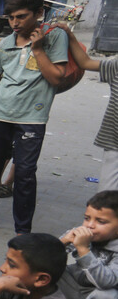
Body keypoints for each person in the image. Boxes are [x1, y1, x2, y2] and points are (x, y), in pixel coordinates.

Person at [0, 0, 69, 234]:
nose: (15, 23)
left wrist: (38, 49)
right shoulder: (4, 44)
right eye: (11, 17)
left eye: (21, 16)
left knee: (24, 173)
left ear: (38, 14)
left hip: (31, 119)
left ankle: (23, 231)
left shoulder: (54, 38)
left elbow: (56, 78)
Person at [54, 22, 118, 188]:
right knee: (106, 200)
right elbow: (86, 63)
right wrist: (70, 35)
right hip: (114, 144)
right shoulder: (117, 65)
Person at [59, 190, 118, 299]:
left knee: (108, 297)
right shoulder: (79, 233)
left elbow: (105, 282)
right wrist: (62, 243)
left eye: (100, 221)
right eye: (87, 218)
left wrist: (83, 250)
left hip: (96, 297)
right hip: (72, 287)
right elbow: (42, 257)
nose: (90, 225)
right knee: (44, 267)